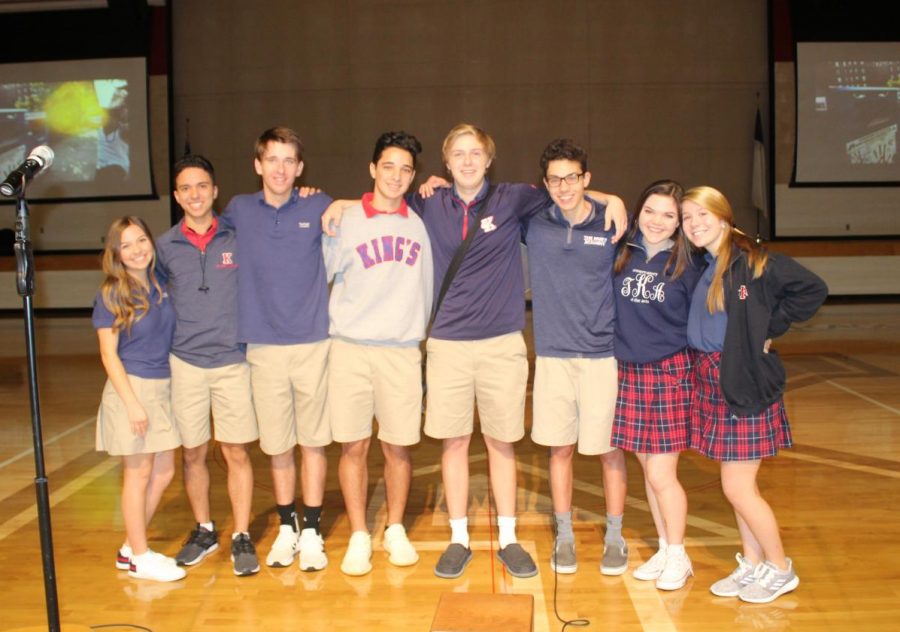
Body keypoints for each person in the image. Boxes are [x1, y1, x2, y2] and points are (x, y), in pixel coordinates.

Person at [324, 123, 627, 579]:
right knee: (455, 441)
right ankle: (459, 537)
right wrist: (343, 202)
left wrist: (613, 199)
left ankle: (508, 537)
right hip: (447, 342)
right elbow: (380, 200)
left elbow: (569, 193)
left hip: (503, 341)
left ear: (489, 160)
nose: (467, 161)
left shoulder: (514, 198)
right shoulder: (428, 202)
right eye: (458, 154)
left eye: (476, 153)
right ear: (445, 164)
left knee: (501, 441)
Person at [681, 186, 827, 604]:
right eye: (687, 217)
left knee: (738, 487)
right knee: (735, 487)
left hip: (743, 381)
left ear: (724, 217)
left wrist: (767, 329)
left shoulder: (752, 261)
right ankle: (752, 562)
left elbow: (812, 289)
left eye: (702, 215)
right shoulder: (707, 263)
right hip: (715, 380)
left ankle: (780, 568)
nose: (694, 224)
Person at [323, 131, 433, 576]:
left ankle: (394, 528)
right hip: (349, 347)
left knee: (399, 447)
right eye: (388, 166)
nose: (397, 175)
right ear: (372, 169)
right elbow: (320, 279)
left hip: (401, 350)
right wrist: (334, 202)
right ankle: (357, 534)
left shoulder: (420, 221)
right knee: (354, 445)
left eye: (406, 169)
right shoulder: (344, 220)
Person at [222, 127, 332, 571]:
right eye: (273, 160)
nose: (281, 169)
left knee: (314, 444)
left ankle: (312, 531)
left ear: (300, 168)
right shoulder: (238, 210)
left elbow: (354, 209)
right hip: (262, 347)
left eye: (289, 161)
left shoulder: (319, 205)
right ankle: (287, 527)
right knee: (279, 445)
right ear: (258, 165)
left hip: (312, 344)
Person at [526, 138, 627, 576]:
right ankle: (564, 535)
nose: (564, 187)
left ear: (586, 178)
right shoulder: (533, 220)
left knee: (608, 451)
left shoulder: (612, 221)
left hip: (602, 355)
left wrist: (614, 199)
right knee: (560, 449)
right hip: (552, 355)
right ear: (544, 182)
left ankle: (616, 534)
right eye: (555, 179)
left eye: (572, 177)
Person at [155, 154, 260, 576]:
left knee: (236, 451)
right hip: (186, 363)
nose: (195, 194)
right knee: (193, 452)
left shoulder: (240, 237)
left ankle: (241, 534)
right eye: (186, 188)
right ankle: (203, 529)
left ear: (215, 191)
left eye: (203, 186)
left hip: (233, 361)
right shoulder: (164, 247)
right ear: (177, 196)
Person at [610, 180, 701, 589]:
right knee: (649, 472)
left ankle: (679, 555)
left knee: (663, 474)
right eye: (650, 211)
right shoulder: (622, 253)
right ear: (637, 211)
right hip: (628, 373)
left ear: (679, 223)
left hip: (669, 374)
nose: (658, 221)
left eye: (669, 215)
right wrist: (611, 197)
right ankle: (665, 547)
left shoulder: (689, 265)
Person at [93, 216, 184, 583]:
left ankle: (131, 547)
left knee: (164, 472)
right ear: (116, 253)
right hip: (132, 388)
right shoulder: (113, 292)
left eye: (141, 240)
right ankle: (141, 555)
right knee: (139, 472)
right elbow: (108, 354)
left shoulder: (160, 284)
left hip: (162, 386)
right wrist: (131, 403)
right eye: (126, 245)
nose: (136, 250)